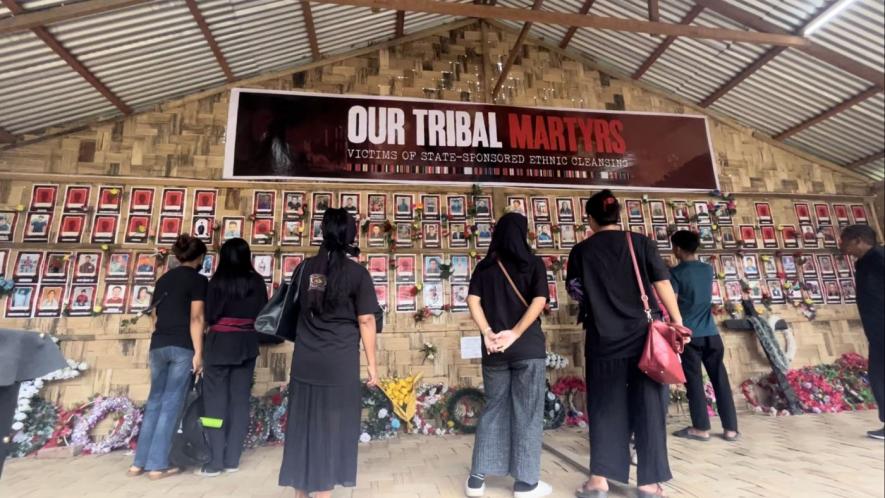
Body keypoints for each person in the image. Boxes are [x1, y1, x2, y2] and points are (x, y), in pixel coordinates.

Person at [567, 190, 683, 498]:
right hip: (646, 339)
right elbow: (662, 283)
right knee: (650, 407)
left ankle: (600, 480)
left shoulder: (581, 252)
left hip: (603, 341)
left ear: (590, 219)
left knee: (605, 407)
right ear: (617, 215)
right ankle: (648, 483)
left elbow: (575, 292)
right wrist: (676, 319)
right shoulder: (641, 243)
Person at [279, 208, 379, 497]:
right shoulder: (357, 274)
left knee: (302, 429)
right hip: (339, 365)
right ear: (350, 235)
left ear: (323, 232)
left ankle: (301, 492)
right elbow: (366, 320)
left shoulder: (304, 268)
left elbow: (294, 309)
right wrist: (373, 365)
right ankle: (323, 493)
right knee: (334, 432)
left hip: (305, 363)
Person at [464, 212, 552, 498]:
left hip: (494, 351)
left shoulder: (485, 266)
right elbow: (540, 300)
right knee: (527, 413)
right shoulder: (533, 263)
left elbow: (472, 300)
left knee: (493, 408)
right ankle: (526, 484)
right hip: (527, 349)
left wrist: (488, 332)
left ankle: (477, 479)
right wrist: (515, 333)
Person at [129, 235, 208, 479]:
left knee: (154, 403)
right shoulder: (198, 280)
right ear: (201, 257)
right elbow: (196, 318)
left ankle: (138, 463)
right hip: (182, 346)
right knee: (171, 405)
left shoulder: (163, 279)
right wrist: (198, 353)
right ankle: (158, 464)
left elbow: (153, 314)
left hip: (158, 344)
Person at [193, 238, 268, 477]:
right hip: (246, 344)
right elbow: (263, 313)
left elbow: (210, 315)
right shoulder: (256, 281)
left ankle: (215, 461)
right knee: (239, 401)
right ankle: (232, 458)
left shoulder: (216, 282)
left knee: (215, 403)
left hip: (218, 344)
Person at [668, 231, 739, 443]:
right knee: (720, 380)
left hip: (690, 336)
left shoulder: (676, 274)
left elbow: (672, 300)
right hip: (712, 334)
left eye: (674, 247)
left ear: (678, 249)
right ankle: (731, 429)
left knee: (695, 382)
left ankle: (701, 428)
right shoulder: (707, 269)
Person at [840, 225, 884, 440]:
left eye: (845, 241)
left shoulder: (879, 258)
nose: (842, 246)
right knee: (878, 378)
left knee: (880, 377)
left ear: (858, 240)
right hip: (877, 332)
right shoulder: (863, 263)